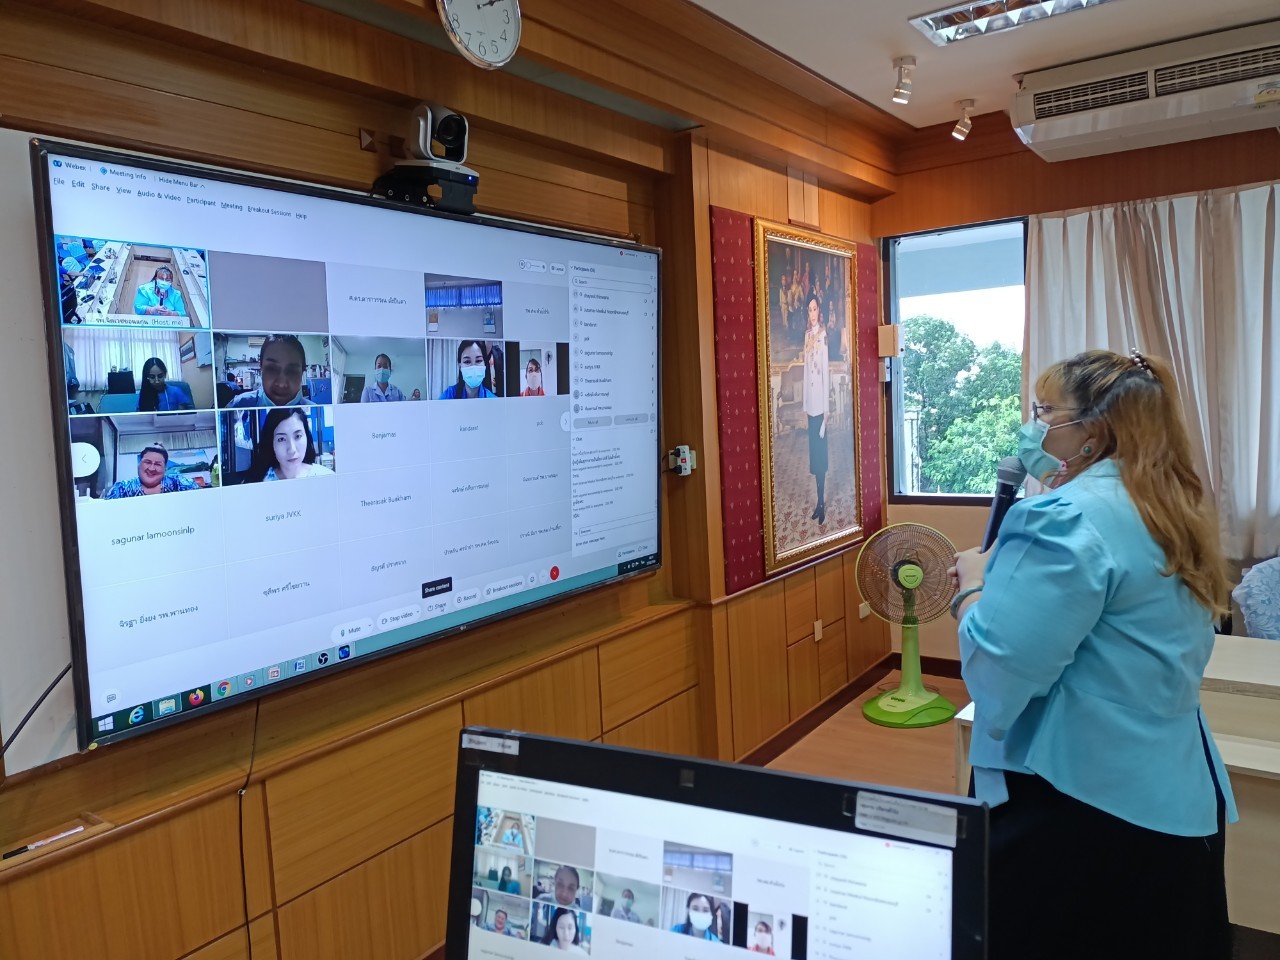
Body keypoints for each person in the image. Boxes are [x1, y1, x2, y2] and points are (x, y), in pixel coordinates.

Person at [950, 348, 1235, 960]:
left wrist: (972, 589)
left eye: (1045, 411)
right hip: (1174, 788)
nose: (1031, 426)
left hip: (1080, 802)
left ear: (1093, 431)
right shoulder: (1166, 505)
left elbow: (998, 679)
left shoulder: (1063, 518)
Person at [801, 296, 831, 525]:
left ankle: (821, 502)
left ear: (819, 310)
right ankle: (818, 501)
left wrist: (826, 412)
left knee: (821, 458)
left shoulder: (822, 335)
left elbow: (825, 373)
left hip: (820, 407)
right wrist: (805, 406)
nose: (812, 313)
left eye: (815, 309)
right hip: (811, 406)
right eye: (809, 309)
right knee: (814, 459)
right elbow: (805, 372)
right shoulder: (807, 336)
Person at [248, 407, 334, 481]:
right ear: (272, 443)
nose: (292, 450)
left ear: (306, 436)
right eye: (281, 439)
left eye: (298, 436)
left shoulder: (327, 477)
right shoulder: (259, 481)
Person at [227, 335, 310, 408]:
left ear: (302, 372)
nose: (281, 384)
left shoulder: (316, 411)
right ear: (261, 368)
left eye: (291, 371)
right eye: (272, 369)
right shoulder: (239, 405)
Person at [104, 443, 196, 498]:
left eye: (157, 464)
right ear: (139, 464)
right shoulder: (121, 488)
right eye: (147, 462)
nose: (151, 468)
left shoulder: (178, 483)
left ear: (165, 468)